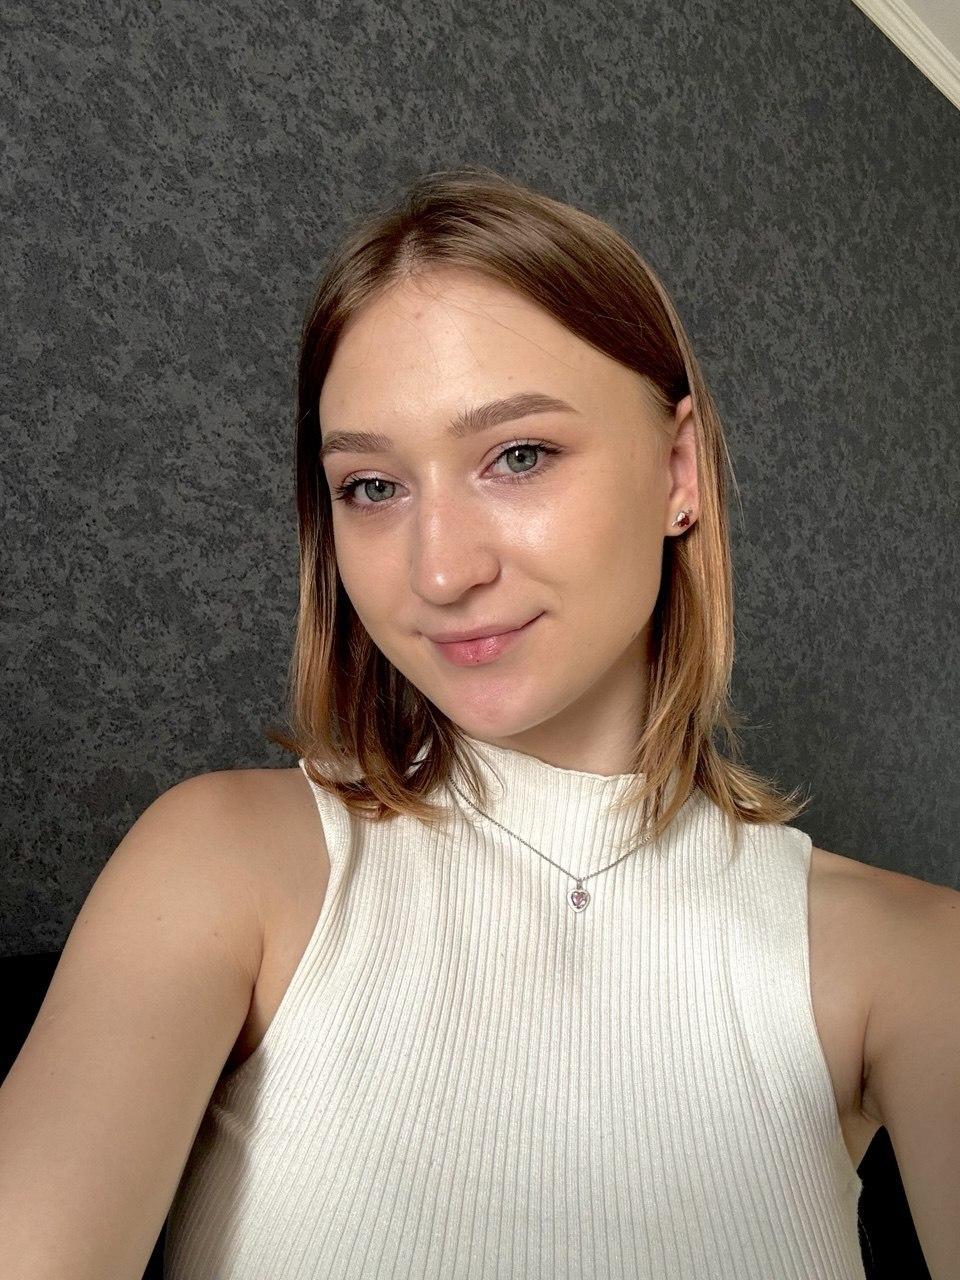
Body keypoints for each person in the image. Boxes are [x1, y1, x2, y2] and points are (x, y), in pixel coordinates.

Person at [1, 166, 956, 1280]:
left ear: (677, 470)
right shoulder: (218, 862)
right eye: (372, 486)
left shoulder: (910, 957)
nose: (442, 571)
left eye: (519, 456)